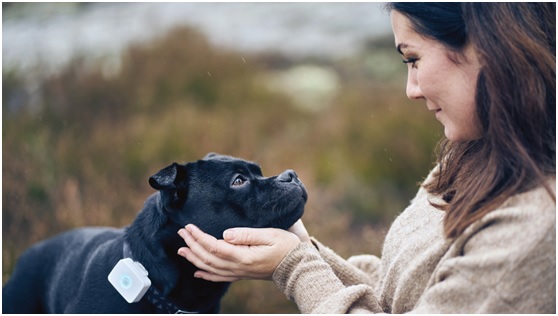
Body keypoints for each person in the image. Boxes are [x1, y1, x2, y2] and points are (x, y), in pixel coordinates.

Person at [177, 3, 556, 313]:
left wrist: (294, 266)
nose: (411, 90)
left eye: (413, 59)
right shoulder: (479, 151)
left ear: (488, 46)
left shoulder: (536, 231)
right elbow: (399, 299)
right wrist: (303, 252)